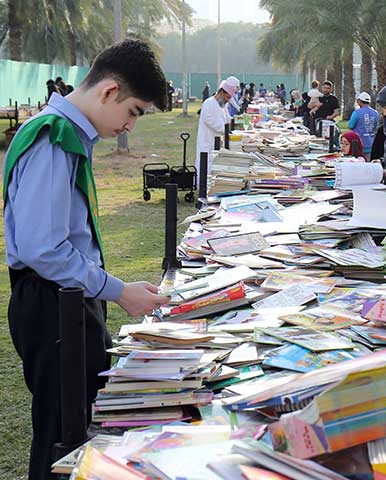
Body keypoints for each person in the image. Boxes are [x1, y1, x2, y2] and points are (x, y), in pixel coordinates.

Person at [4, 39, 170, 480]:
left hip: (69, 299)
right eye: (134, 111)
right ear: (109, 91)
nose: (130, 124)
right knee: (62, 439)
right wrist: (118, 292)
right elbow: (44, 248)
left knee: (80, 430)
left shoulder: (70, 133)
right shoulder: (53, 136)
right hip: (51, 304)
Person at [196, 77, 237, 177]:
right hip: (207, 140)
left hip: (218, 141)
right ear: (222, 93)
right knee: (205, 167)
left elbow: (227, 118)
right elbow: (209, 120)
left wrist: (235, 122)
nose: (227, 100)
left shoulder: (222, 105)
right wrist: (224, 129)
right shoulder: (208, 103)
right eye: (227, 97)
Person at [348, 91, 379, 157]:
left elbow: (350, 126)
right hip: (371, 145)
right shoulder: (376, 113)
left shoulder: (356, 113)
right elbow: (376, 127)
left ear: (359, 101)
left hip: (358, 145)